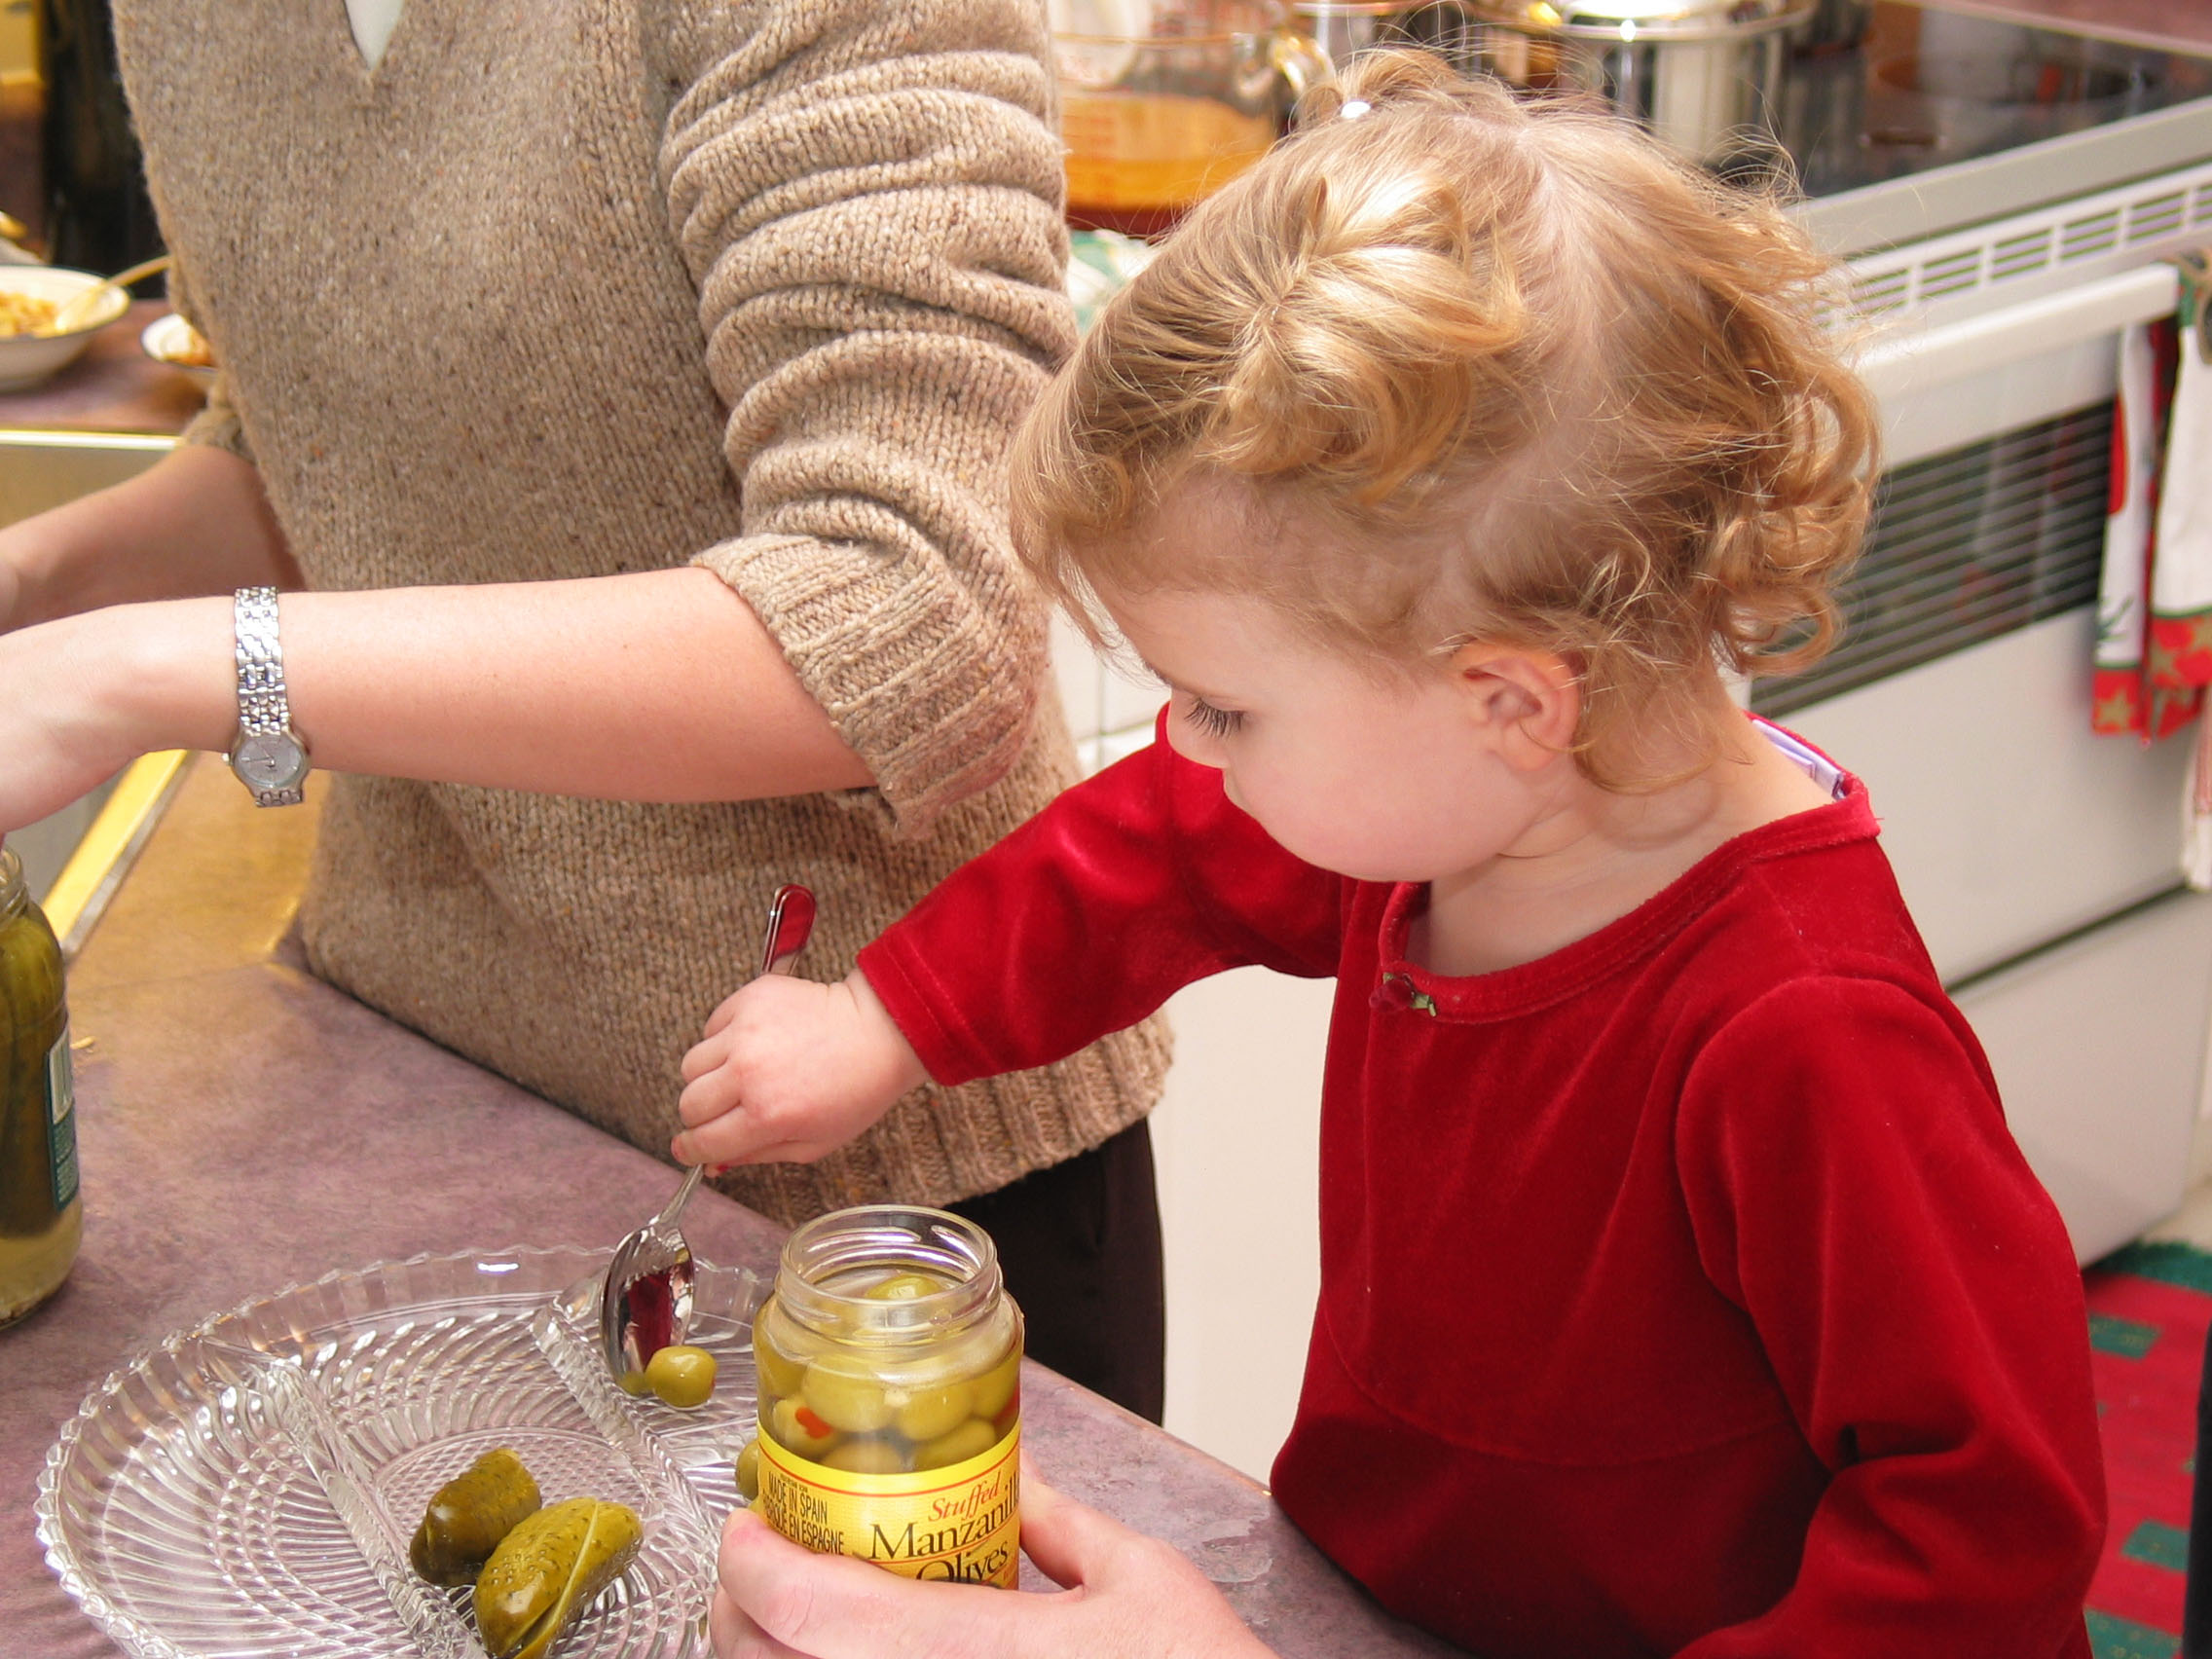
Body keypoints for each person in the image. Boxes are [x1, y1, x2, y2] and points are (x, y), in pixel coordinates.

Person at [674, 50, 2106, 1659]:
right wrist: (885, 1018)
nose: (1186, 746)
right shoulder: (1462, 802)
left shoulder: (1807, 1033)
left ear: (1508, 700)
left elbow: (1986, 1543)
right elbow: (1161, 853)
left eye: (1226, 705)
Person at [0, 0, 1171, 1418]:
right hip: (416, 1096)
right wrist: (37, 579)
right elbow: (332, 451)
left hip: (875, 1210)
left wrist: (149, 675)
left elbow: (921, 615)